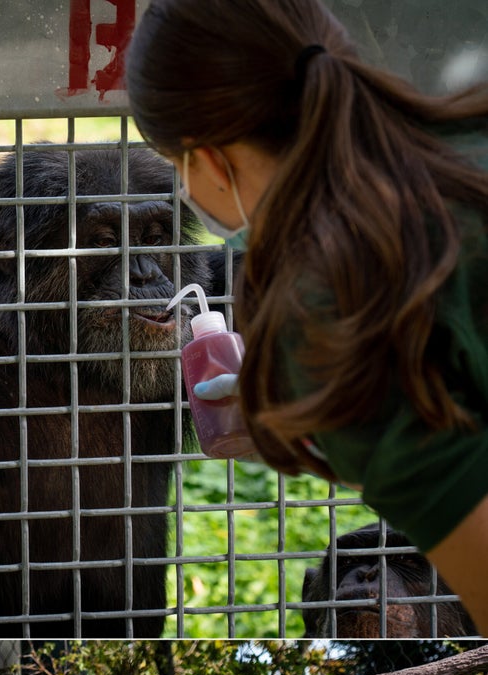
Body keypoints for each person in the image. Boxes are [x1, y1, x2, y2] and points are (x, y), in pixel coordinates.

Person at [126, 0, 488, 635]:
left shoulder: (337, 314)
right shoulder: (461, 147)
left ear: (209, 160)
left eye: (177, 171)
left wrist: (341, 414)